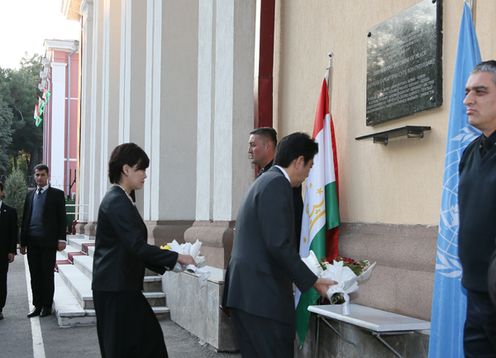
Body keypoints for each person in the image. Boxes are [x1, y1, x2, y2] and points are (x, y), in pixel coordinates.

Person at [223, 132, 335, 358]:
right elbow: (278, 245)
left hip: (249, 295)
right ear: (299, 161)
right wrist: (314, 282)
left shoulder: (265, 181)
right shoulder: (277, 185)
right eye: (310, 167)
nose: (308, 175)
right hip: (262, 299)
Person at [92, 142, 195, 358]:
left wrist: (172, 262)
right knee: (139, 345)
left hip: (120, 286)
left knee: (142, 344)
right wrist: (176, 257)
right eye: (141, 169)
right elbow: (136, 246)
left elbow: (132, 247)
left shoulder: (123, 199)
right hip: (115, 288)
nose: (145, 175)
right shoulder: (117, 201)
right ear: (126, 169)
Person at [459, 60, 496, 357]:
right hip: (474, 293)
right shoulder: (470, 153)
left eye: (479, 92)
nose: (468, 100)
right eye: (468, 91)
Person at [20, 164, 66, 318]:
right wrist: (23, 242)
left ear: (48, 176)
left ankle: (47, 305)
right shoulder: (30, 195)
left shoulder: (57, 195)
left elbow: (62, 219)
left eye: (42, 175)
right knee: (35, 275)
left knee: (47, 274)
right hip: (32, 242)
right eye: (37, 175)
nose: (39, 178)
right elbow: (25, 218)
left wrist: (61, 239)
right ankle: (37, 306)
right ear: (34, 176)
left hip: (48, 242)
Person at [248, 127, 304, 250]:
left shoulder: (281, 178)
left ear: (268, 146)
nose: (249, 150)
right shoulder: (267, 175)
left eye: (253, 145)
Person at [0, 182, 18, 320]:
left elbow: (13, 233)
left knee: (1, 280)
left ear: (2, 192)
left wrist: (12, 251)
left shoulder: (10, 212)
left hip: (3, 253)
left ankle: (0, 308)